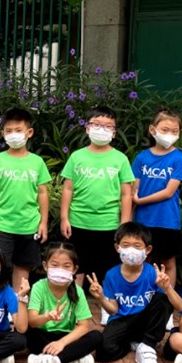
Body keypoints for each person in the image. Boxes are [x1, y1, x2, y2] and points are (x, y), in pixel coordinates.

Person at [89, 223, 182, 363]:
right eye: (125, 245)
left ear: (148, 250)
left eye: (137, 246)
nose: (131, 250)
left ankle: (147, 346)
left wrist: (167, 288)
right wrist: (101, 298)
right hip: (122, 320)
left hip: (145, 320)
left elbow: (180, 307)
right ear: (117, 248)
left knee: (163, 299)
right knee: (103, 352)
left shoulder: (153, 273)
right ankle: (131, 345)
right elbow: (113, 310)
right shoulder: (112, 275)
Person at [60, 105, 134, 289]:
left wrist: (125, 223)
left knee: (108, 267)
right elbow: (68, 189)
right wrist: (64, 218)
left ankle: (107, 301)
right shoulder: (76, 157)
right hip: (78, 221)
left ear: (114, 132)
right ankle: (75, 298)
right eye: (96, 124)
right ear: (87, 128)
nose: (102, 129)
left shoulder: (120, 159)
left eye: (108, 126)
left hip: (109, 223)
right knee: (77, 265)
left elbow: (126, 193)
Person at [0, 106, 52, 286]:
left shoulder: (37, 162)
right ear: (2, 133)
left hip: (29, 225)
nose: (13, 134)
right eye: (9, 131)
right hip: (2, 225)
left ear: (29, 133)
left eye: (18, 130)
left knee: (23, 267)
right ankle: (0, 299)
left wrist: (43, 222)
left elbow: (43, 193)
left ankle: (19, 300)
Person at [132, 108, 182, 290]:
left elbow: (168, 192)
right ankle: (140, 296)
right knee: (141, 259)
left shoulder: (179, 159)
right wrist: (129, 217)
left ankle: (167, 299)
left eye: (174, 131)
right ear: (152, 129)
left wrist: (140, 201)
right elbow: (134, 189)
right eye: (165, 130)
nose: (169, 134)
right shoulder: (141, 158)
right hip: (142, 221)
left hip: (167, 221)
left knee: (168, 261)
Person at [26, 243, 103, 363]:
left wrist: (61, 343)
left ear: (74, 269)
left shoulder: (78, 291)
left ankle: (54, 361)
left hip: (67, 338)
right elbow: (32, 321)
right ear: (45, 265)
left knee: (96, 336)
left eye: (66, 266)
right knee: (26, 331)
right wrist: (47, 317)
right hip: (43, 335)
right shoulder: (38, 287)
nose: (60, 270)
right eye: (54, 265)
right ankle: (71, 359)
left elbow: (84, 326)